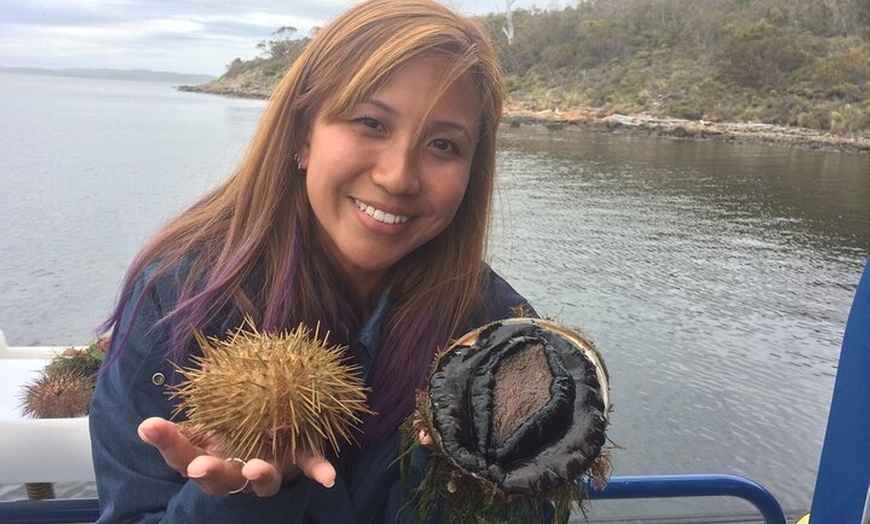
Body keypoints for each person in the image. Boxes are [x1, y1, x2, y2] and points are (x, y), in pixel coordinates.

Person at [89, 0, 538, 522]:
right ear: (304, 133)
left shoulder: (499, 335)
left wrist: (471, 472)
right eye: (371, 122)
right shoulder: (178, 296)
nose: (398, 177)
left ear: (471, 171)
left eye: (443, 144)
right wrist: (242, 503)